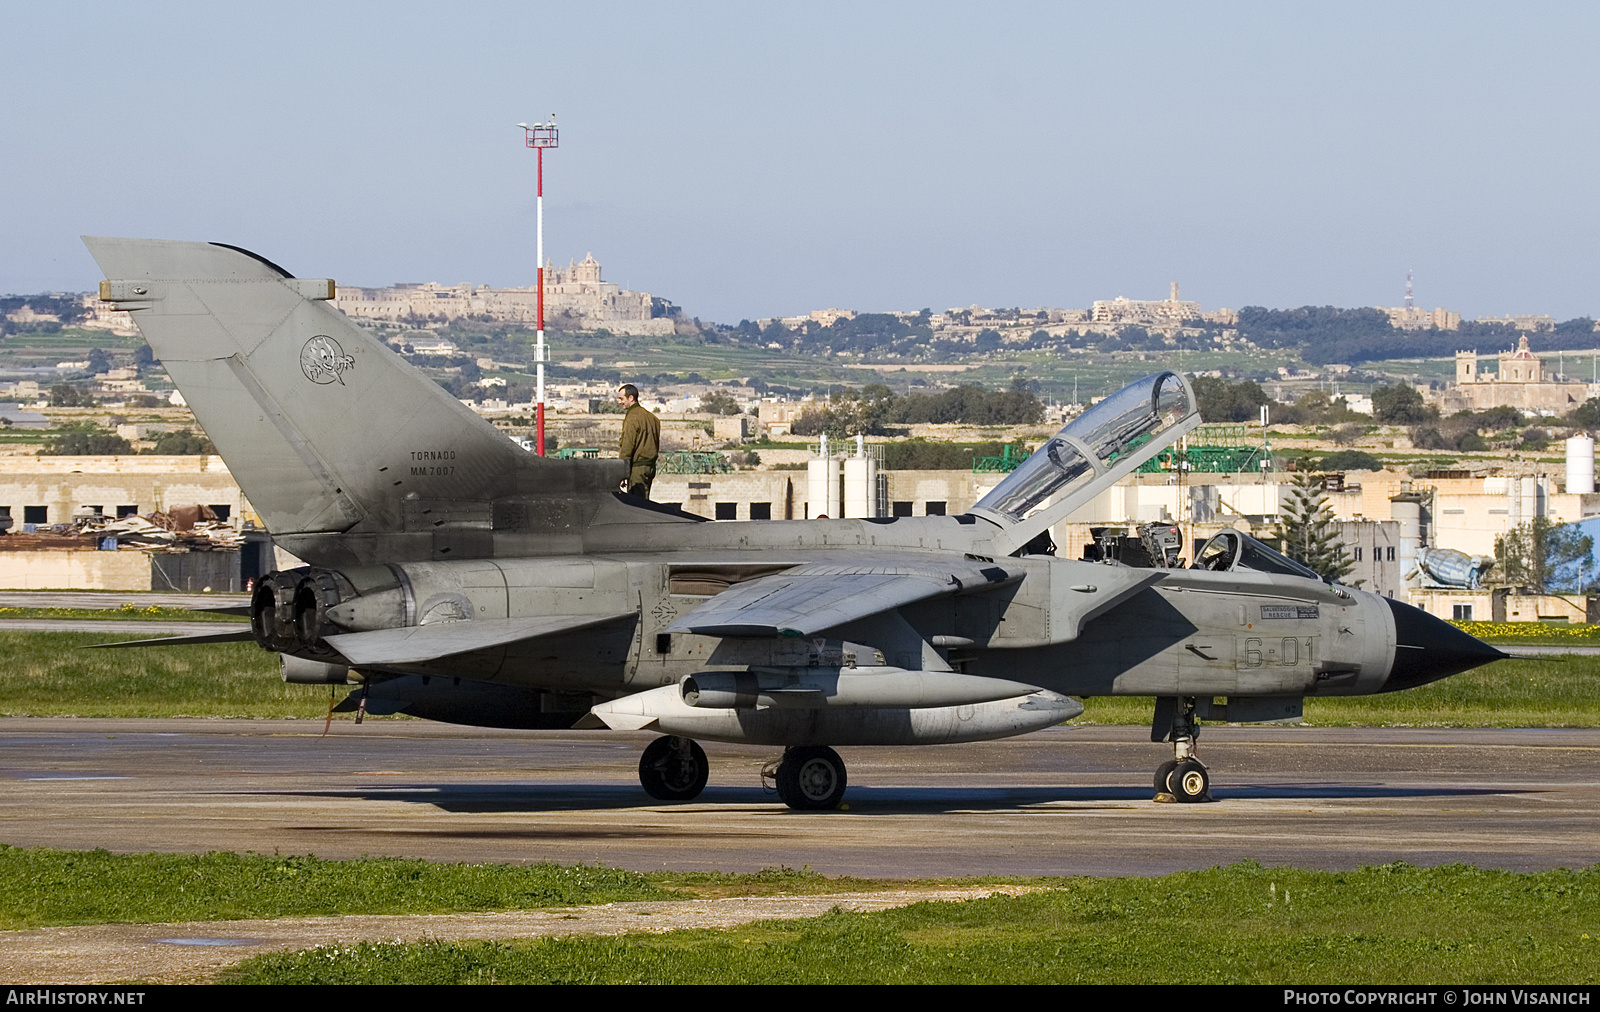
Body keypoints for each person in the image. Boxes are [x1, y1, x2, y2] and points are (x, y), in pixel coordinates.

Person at [617, 384, 660, 499]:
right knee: (645, 502)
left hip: (637, 469)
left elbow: (627, 445)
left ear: (630, 398)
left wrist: (621, 472)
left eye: (621, 398)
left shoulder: (632, 418)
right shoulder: (652, 418)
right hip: (650, 467)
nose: (619, 402)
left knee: (637, 505)